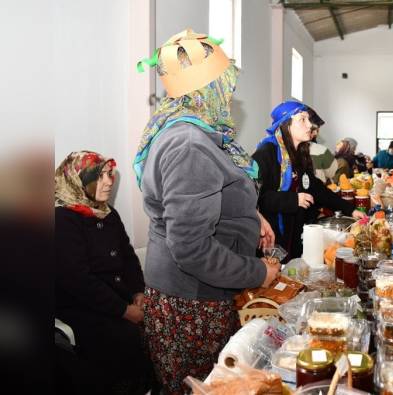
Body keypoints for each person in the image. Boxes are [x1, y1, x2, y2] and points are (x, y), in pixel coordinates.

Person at [134, 29, 279, 394]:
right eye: (225, 87)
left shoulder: (190, 130)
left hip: (193, 293)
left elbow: (205, 196)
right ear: (207, 89)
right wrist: (258, 272)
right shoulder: (189, 144)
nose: (229, 97)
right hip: (190, 302)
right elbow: (192, 248)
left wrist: (251, 215)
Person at [56, 151, 154, 394]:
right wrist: (124, 311)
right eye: (99, 176)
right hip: (82, 306)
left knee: (161, 320)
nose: (110, 181)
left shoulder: (108, 212)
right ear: (78, 180)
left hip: (117, 297)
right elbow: (77, 280)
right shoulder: (62, 219)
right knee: (124, 339)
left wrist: (138, 291)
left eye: (109, 174)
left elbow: (128, 257)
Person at [254, 101, 365, 261]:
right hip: (272, 236)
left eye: (309, 120)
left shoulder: (300, 153)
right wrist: (293, 199)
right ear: (286, 125)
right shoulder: (266, 154)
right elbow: (257, 199)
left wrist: (351, 210)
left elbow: (315, 188)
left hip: (295, 233)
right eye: (303, 120)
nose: (310, 125)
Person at [307, 107, 338, 184]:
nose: (316, 133)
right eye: (313, 129)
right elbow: (332, 173)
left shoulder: (283, 149)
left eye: (317, 130)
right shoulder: (320, 150)